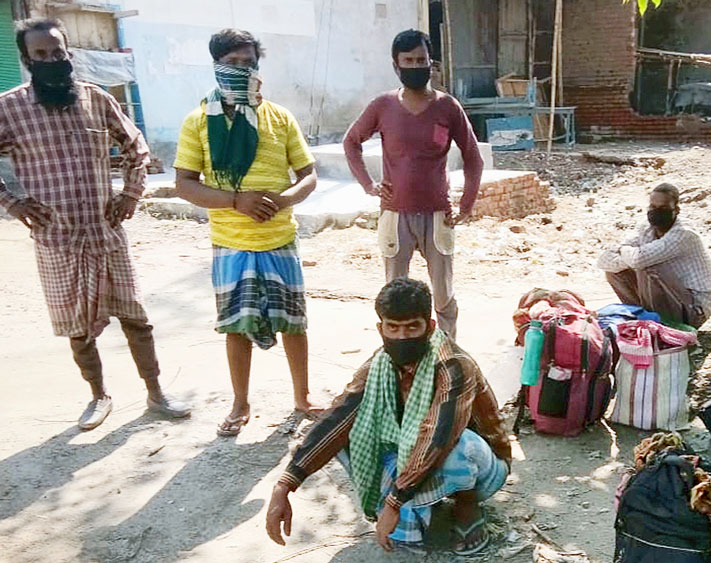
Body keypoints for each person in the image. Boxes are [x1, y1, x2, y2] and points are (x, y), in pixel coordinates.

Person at [0, 18, 190, 430]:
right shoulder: (9, 108)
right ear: (28, 59)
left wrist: (130, 194)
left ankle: (156, 393)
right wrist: (13, 204)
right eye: (42, 55)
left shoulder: (96, 99)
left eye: (58, 52)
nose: (53, 60)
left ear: (69, 53)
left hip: (106, 232)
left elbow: (135, 147)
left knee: (135, 316)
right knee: (78, 325)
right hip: (57, 237)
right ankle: (98, 395)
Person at [265, 278, 511, 555]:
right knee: (349, 436)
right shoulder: (380, 364)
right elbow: (337, 418)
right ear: (381, 328)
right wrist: (285, 484)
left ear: (429, 327)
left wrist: (394, 503)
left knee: (460, 444)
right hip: (417, 460)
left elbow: (437, 436)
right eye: (393, 328)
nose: (402, 337)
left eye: (412, 327)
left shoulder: (454, 365)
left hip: (484, 467)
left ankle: (466, 507)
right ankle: (412, 516)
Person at [173, 29, 322, 436]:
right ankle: (240, 403)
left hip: (279, 239)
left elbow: (308, 175)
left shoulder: (280, 117)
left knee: (293, 322)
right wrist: (237, 200)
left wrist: (286, 198)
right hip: (231, 243)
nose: (242, 69)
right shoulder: (198, 121)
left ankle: (302, 397)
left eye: (249, 62)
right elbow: (185, 184)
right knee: (236, 327)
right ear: (218, 65)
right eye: (233, 63)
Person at [343, 29, 484, 339]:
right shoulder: (383, 106)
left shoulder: (448, 107)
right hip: (395, 215)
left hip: (438, 215)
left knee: (444, 295)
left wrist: (466, 205)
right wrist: (368, 184)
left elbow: (474, 157)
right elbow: (351, 142)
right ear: (396, 65)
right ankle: (398, 352)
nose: (415, 66)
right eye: (408, 60)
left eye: (421, 60)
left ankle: (446, 351)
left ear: (430, 62)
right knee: (395, 294)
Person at [597, 182, 711, 328]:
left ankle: (662, 325)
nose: (657, 212)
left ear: (676, 210)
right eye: (653, 207)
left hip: (693, 308)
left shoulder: (684, 234)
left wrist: (623, 251)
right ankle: (643, 318)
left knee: (648, 268)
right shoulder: (646, 229)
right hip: (671, 300)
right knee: (614, 272)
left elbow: (639, 259)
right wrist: (630, 257)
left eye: (663, 208)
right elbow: (604, 261)